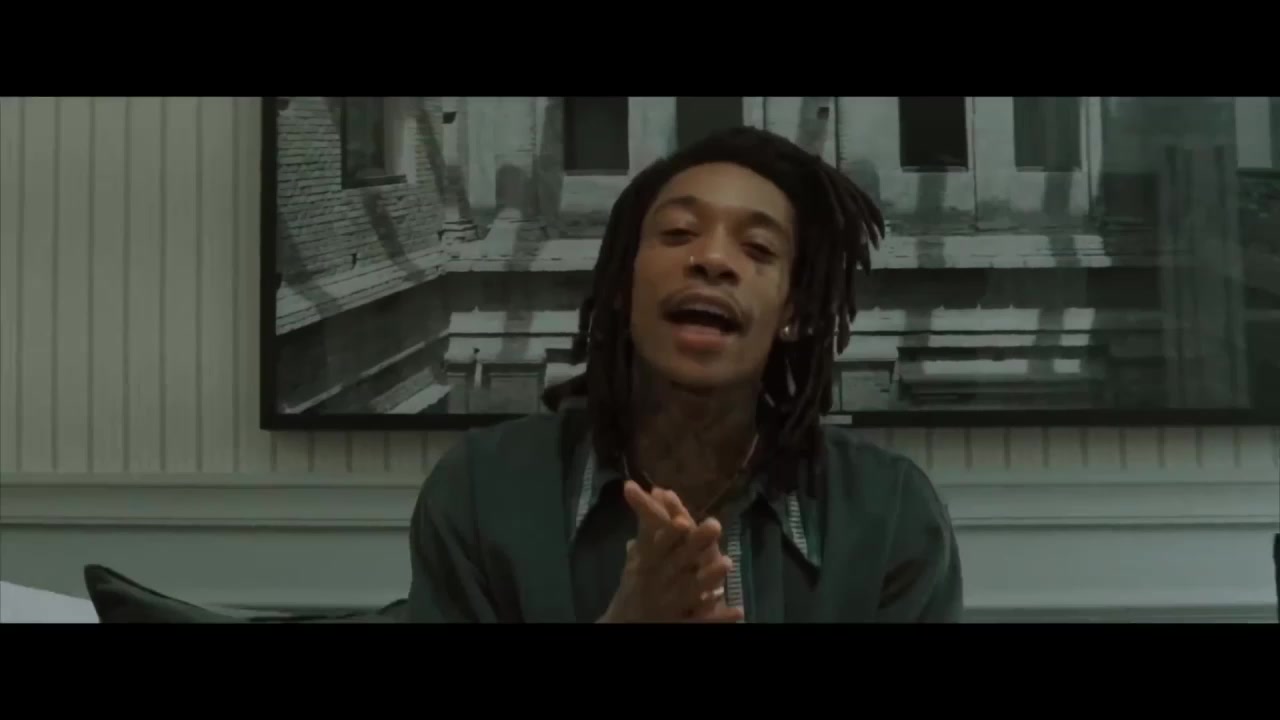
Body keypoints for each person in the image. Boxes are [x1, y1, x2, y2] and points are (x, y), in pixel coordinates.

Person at [406, 126, 963, 623]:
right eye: (677, 232)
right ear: (622, 285)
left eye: (758, 247)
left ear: (794, 313)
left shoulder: (892, 518)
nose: (712, 260)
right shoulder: (480, 496)